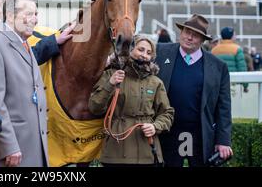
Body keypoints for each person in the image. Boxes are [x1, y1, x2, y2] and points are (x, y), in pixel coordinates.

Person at [0, 0, 48, 167]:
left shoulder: (23, 43)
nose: (35, 19)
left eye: (36, 14)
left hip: (33, 147)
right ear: (11, 15)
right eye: (29, 14)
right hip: (14, 151)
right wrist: (9, 146)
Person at [156, 14, 232, 167]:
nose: (189, 37)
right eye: (186, 32)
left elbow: (224, 107)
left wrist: (223, 141)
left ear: (203, 40)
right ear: (181, 32)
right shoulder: (160, 52)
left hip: (200, 133)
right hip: (165, 131)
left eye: (195, 35)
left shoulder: (218, 66)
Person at [88, 35, 174, 166]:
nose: (144, 55)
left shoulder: (156, 82)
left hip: (147, 152)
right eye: (140, 49)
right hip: (116, 152)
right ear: (129, 49)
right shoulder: (112, 75)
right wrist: (110, 84)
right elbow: (95, 107)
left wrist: (155, 126)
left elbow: (167, 113)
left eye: (149, 53)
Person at [212, 27, 248, 92]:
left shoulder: (214, 50)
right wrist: (245, 86)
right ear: (232, 36)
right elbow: (242, 68)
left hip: (218, 84)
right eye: (234, 35)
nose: (235, 36)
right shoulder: (237, 49)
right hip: (234, 83)